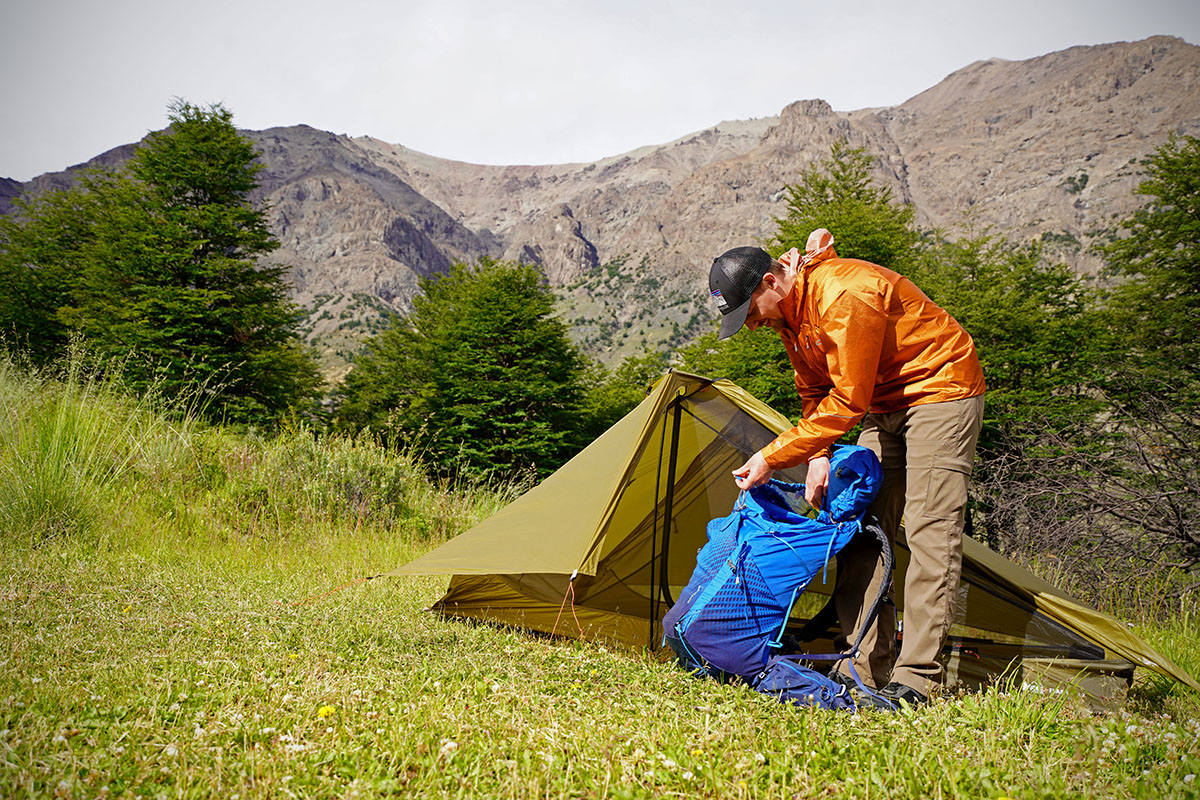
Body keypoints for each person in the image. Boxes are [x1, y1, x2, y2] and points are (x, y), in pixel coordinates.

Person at [707, 228, 986, 708]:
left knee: (930, 533)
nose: (751, 325)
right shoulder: (789, 317)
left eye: (749, 312)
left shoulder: (843, 295)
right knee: (859, 531)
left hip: (941, 390)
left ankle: (916, 681)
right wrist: (817, 457)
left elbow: (846, 402)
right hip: (883, 403)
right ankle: (861, 667)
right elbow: (815, 392)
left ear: (771, 282)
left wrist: (771, 457)